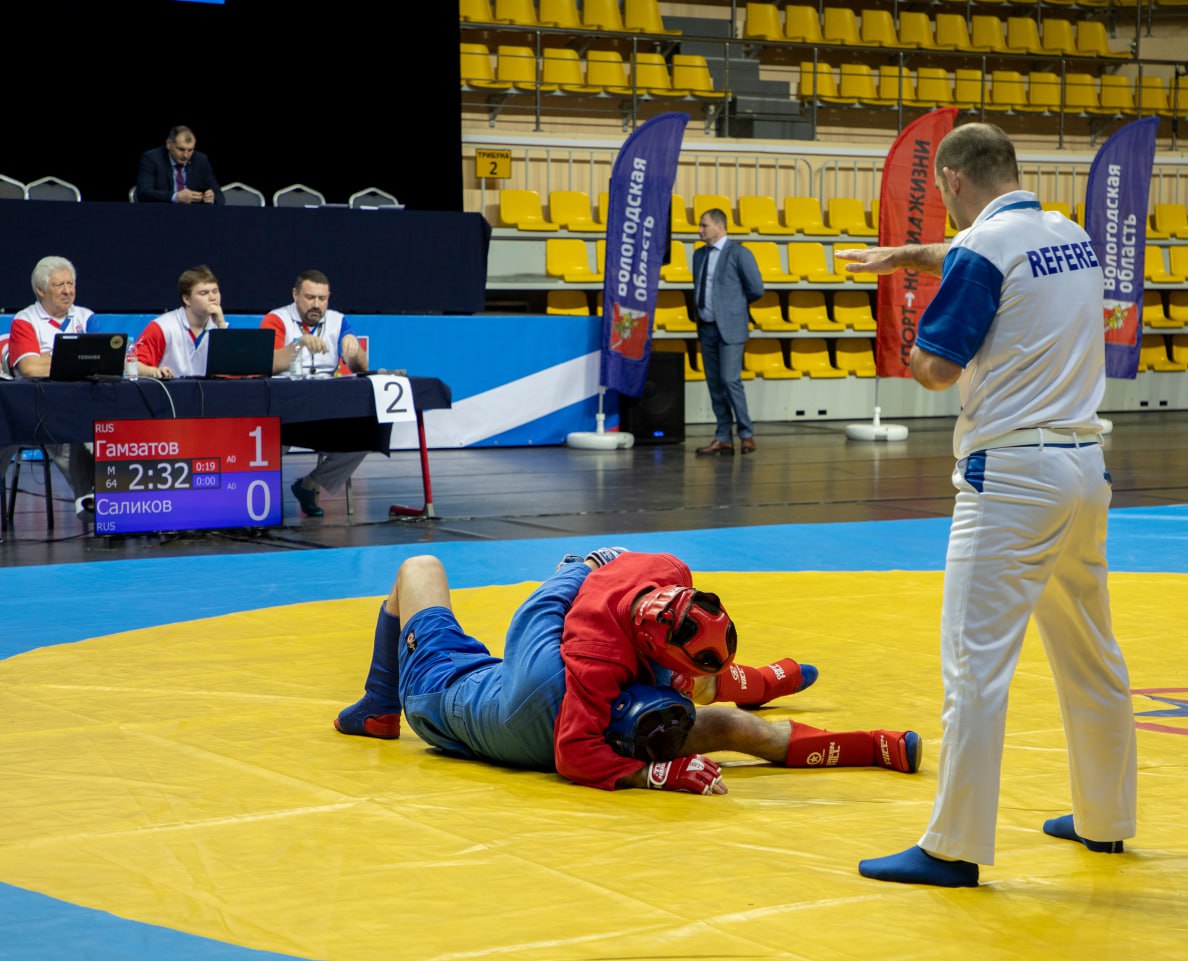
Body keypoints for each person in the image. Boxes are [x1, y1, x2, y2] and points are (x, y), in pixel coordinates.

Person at [839, 123, 1137, 887]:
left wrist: (910, 334)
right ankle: (1105, 818)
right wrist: (908, 255)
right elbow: (987, 255)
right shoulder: (1069, 234)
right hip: (1084, 467)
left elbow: (936, 368)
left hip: (1009, 477)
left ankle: (954, 846)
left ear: (952, 181)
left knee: (975, 665)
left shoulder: (981, 250)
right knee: (1092, 653)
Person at [334, 548, 922, 793]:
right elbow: (574, 756)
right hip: (445, 690)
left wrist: (593, 563)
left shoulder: (669, 573)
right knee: (420, 566)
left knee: (732, 723)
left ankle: (874, 744)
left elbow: (604, 568)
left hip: (589, 700)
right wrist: (656, 775)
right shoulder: (571, 664)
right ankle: (383, 706)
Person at [261, 269, 369, 518]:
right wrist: (299, 344)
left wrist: (355, 351)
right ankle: (257, 503)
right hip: (284, 411)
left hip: (324, 409)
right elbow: (268, 364)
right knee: (265, 448)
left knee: (362, 439)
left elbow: (360, 368)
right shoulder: (276, 319)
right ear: (295, 295)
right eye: (310, 298)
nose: (316, 305)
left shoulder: (338, 321)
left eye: (322, 299)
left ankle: (309, 485)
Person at [2, 256, 97, 519]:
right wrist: (79, 359)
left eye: (71, 284)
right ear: (40, 290)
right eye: (59, 285)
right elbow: (30, 369)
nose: (67, 291)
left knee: (92, 428)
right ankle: (89, 499)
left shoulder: (87, 317)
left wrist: (49, 358)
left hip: (82, 404)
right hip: (36, 407)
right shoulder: (25, 320)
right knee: (67, 430)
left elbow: (104, 361)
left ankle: (101, 500)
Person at [691, 209, 764, 456]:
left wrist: (733, 307)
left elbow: (756, 288)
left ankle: (746, 434)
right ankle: (723, 437)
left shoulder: (739, 253)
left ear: (719, 227)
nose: (700, 230)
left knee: (730, 381)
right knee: (714, 384)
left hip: (730, 327)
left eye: (704, 225)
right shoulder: (699, 255)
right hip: (707, 327)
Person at [134, 265, 228, 378]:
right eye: (204, 293)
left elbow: (233, 372)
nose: (213, 298)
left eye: (215, 291)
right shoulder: (162, 327)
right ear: (187, 299)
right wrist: (153, 371)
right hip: (170, 388)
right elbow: (134, 365)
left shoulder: (222, 327)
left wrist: (221, 326)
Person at [135, 126, 224, 205]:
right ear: (169, 144)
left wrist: (211, 198)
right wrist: (175, 197)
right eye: (181, 149)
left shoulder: (201, 160)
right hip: (161, 212)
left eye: (190, 150)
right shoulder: (151, 159)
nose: (186, 155)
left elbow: (220, 196)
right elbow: (143, 193)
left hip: (193, 214)